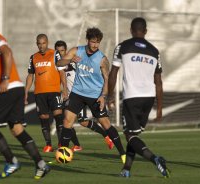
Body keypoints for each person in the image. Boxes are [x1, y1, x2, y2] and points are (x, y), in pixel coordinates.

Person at [0, 8, 50, 179]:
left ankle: (11, 161)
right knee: (16, 129)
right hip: (16, 88)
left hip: (8, 88)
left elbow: (7, 52)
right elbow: (2, 60)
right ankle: (41, 164)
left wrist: (5, 80)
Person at [108, 17, 170, 178]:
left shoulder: (123, 46)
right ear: (146, 31)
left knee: (129, 135)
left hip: (132, 97)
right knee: (133, 134)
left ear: (131, 30)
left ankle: (155, 159)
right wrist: (160, 108)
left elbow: (113, 72)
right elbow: (159, 82)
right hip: (148, 97)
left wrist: (109, 96)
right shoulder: (154, 51)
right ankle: (126, 170)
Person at [56, 28, 126, 163]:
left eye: (97, 42)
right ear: (87, 40)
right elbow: (59, 63)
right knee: (67, 121)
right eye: (93, 42)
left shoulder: (102, 59)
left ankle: (122, 153)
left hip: (94, 95)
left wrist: (103, 96)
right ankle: (63, 153)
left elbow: (107, 80)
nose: (95, 45)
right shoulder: (76, 51)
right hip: (77, 93)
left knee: (105, 124)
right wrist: (70, 61)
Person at [55, 40, 114, 151]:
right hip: (71, 96)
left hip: (80, 94)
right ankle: (75, 145)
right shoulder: (60, 65)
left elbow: (87, 71)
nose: (61, 53)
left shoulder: (75, 61)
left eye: (63, 50)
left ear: (66, 50)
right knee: (68, 121)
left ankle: (106, 135)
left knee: (82, 121)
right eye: (58, 51)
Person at [24, 34, 68, 153]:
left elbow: (62, 72)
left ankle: (61, 145)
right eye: (39, 43)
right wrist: (26, 92)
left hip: (54, 91)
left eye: (43, 43)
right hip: (40, 93)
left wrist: (64, 88)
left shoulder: (55, 54)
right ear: (36, 43)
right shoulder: (33, 57)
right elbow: (30, 75)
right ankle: (48, 145)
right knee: (44, 118)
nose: (41, 46)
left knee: (58, 116)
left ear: (47, 43)